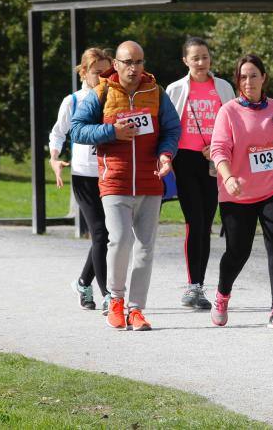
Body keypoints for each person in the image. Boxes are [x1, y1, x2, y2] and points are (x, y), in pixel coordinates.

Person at [71, 41, 181, 331]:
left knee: (145, 248)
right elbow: (77, 129)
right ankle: (115, 301)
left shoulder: (156, 93)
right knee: (119, 240)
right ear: (116, 65)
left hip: (150, 181)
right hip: (115, 181)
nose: (134, 68)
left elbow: (172, 129)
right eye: (127, 62)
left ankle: (136, 310)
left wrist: (166, 155)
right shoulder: (102, 92)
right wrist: (112, 131)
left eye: (139, 62)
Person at [209, 54, 273, 330]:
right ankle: (222, 294)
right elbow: (219, 149)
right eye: (243, 77)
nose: (248, 81)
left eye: (253, 75)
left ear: (263, 78)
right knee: (238, 251)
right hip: (238, 192)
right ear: (237, 81)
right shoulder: (229, 111)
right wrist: (228, 176)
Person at [166, 37, 235, 309]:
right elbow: (168, 127)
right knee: (194, 222)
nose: (201, 63)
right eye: (195, 58)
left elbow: (233, 123)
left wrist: (220, 148)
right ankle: (193, 285)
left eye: (205, 57)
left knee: (205, 224)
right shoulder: (175, 89)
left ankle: (199, 286)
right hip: (185, 161)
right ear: (185, 60)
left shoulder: (223, 87)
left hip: (214, 161)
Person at [49, 47, 112, 314]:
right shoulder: (73, 101)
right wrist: (54, 160)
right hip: (84, 176)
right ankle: (108, 294)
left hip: (110, 174)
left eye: (108, 72)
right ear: (84, 72)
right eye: (98, 72)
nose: (104, 78)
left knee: (109, 236)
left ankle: (83, 282)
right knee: (100, 233)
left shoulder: (115, 97)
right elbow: (58, 133)